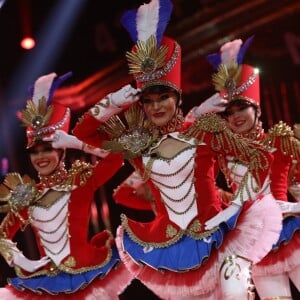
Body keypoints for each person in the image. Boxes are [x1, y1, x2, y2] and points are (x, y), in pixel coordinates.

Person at [73, 1, 282, 299]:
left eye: (163, 97)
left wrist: (235, 206)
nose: (157, 106)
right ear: (141, 104)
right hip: (170, 251)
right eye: (149, 100)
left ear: (177, 96)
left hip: (218, 240)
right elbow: (82, 132)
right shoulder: (136, 145)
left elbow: (261, 158)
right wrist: (115, 101)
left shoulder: (203, 130)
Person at [0, 73, 133, 299]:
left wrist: (76, 143)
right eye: (35, 151)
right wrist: (19, 259)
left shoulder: (80, 182)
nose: (40, 157)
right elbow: (2, 233)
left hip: (89, 278)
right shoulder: (28, 196)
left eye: (48, 149)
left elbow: (116, 158)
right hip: (49, 285)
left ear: (61, 151)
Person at [196, 37, 300, 299]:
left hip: (291, 232)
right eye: (229, 112)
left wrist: (294, 205)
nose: (236, 116)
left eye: (242, 107)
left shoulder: (280, 141)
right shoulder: (222, 154)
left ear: (257, 110)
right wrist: (199, 112)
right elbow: (190, 146)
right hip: (257, 244)